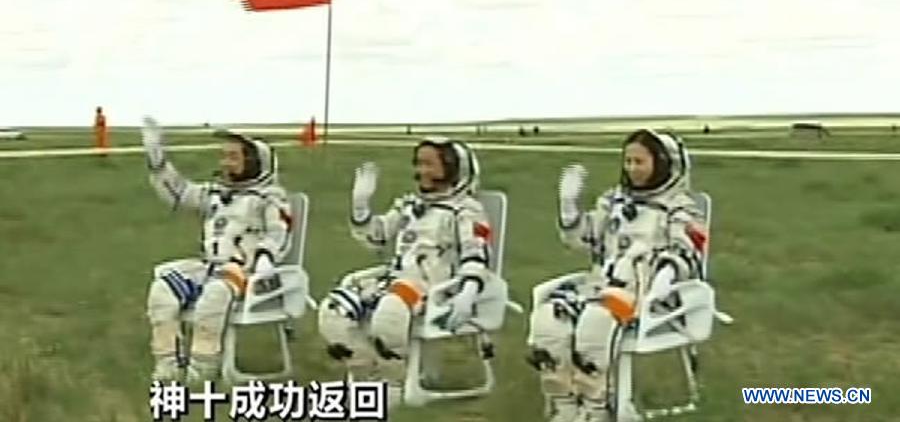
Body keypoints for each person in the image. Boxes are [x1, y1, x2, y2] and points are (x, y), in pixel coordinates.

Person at [526, 129, 708, 422]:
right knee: (550, 317)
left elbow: (686, 252)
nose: (632, 169)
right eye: (628, 161)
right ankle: (565, 404)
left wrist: (664, 278)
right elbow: (584, 239)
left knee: (596, 320)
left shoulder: (680, 208)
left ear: (663, 163)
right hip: (602, 287)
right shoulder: (614, 201)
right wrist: (569, 208)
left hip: (651, 295)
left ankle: (597, 408)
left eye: (640, 162)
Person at [318, 137, 493, 405]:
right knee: (333, 310)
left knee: (390, 312)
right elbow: (376, 238)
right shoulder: (410, 206)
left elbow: (476, 254)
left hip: (437, 287)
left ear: (454, 169)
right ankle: (364, 373)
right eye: (419, 163)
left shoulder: (465, 210)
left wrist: (468, 291)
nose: (422, 171)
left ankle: (391, 384)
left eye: (430, 165)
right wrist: (360, 206)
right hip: (399, 280)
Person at [140, 116, 293, 383]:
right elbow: (179, 193)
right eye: (224, 156)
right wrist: (158, 161)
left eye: (233, 157)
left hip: (246, 273)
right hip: (210, 267)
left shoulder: (269, 198)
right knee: (162, 290)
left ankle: (202, 369)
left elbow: (279, 231)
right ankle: (168, 365)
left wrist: (266, 257)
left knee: (213, 295)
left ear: (254, 162)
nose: (225, 163)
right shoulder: (215, 194)